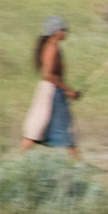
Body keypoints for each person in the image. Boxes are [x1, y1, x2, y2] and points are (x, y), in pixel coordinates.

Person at [21, 16, 80, 159]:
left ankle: (77, 163)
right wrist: (68, 90)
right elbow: (49, 75)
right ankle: (77, 164)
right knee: (44, 128)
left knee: (45, 128)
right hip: (51, 93)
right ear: (56, 32)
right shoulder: (51, 49)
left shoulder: (52, 47)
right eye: (63, 30)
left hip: (53, 92)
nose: (66, 32)